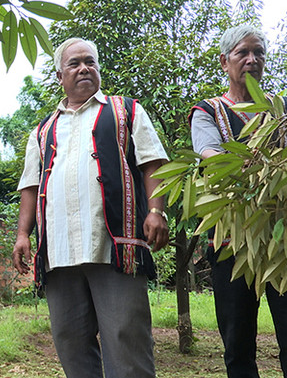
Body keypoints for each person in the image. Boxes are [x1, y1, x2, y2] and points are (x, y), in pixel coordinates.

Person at [11, 37, 169, 378]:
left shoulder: (125, 110)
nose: (84, 68)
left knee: (126, 341)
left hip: (113, 249)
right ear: (59, 76)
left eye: (90, 62)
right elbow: (31, 185)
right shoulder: (43, 130)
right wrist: (23, 234)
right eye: (74, 63)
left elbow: (153, 163)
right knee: (70, 342)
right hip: (59, 253)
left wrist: (156, 211)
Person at [189, 24, 287, 378]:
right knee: (238, 344)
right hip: (232, 244)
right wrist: (278, 161)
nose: (252, 60)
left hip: (286, 242)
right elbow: (214, 160)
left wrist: (260, 162)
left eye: (259, 53)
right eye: (242, 53)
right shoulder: (207, 112)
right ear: (224, 61)